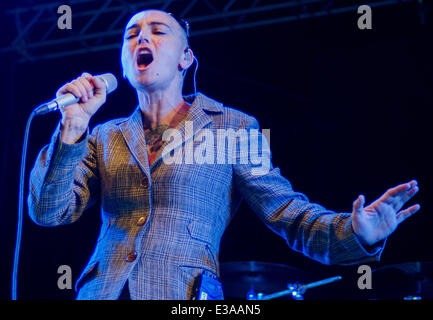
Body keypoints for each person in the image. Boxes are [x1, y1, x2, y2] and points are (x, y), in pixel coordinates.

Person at [28, 9, 420, 300]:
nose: (141, 38)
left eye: (157, 31)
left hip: (185, 296)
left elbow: (289, 213)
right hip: (102, 292)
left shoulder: (232, 127)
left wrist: (356, 232)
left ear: (186, 58)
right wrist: (73, 127)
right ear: (124, 66)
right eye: (131, 34)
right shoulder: (102, 134)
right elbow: (48, 211)